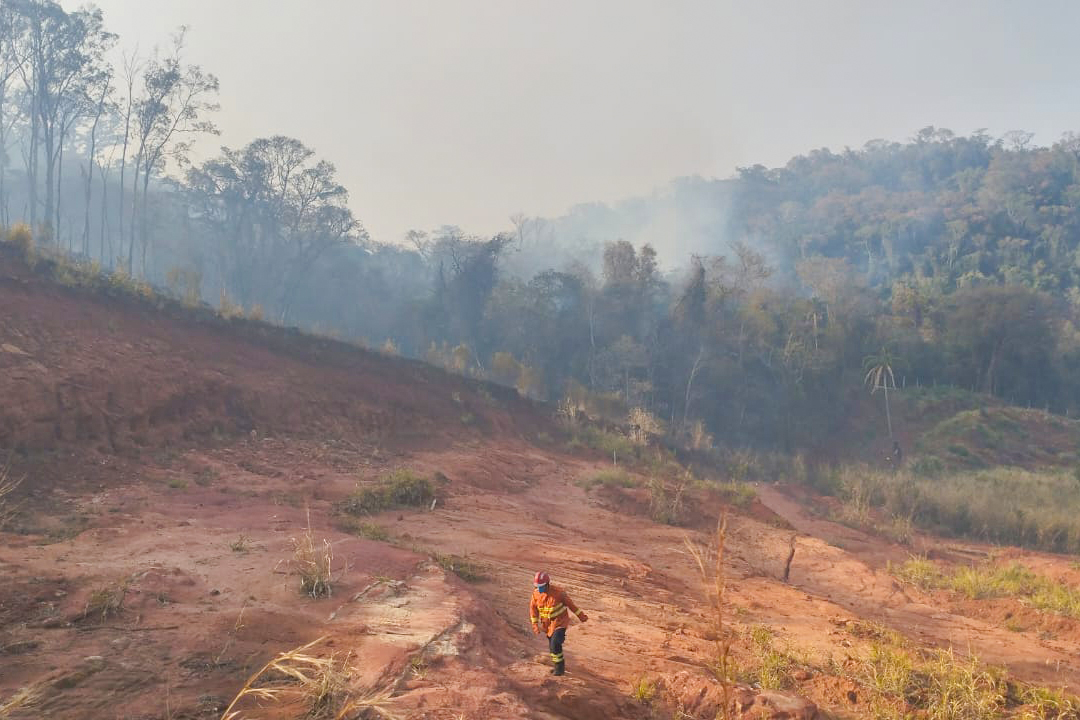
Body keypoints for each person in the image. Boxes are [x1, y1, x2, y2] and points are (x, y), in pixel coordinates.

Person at [529, 571, 587, 675]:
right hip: (547, 625)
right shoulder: (536, 595)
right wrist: (535, 625)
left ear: (547, 584)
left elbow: (571, 605)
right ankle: (557, 667)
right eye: (537, 586)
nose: (539, 589)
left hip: (560, 622)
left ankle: (559, 670)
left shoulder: (559, 593)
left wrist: (581, 616)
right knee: (553, 648)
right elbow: (533, 610)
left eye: (541, 586)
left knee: (555, 644)